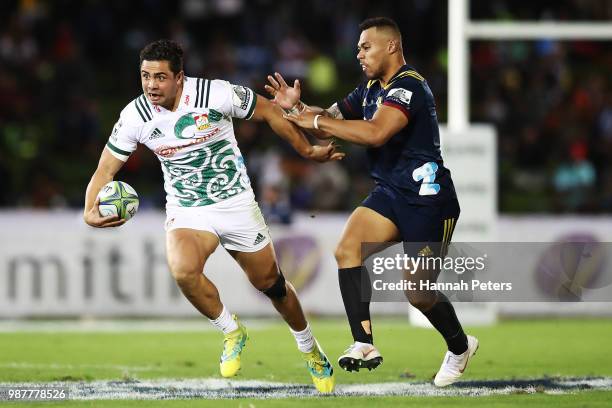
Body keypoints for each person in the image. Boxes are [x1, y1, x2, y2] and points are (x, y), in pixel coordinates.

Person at [83, 39, 341, 393]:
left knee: (273, 285)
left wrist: (307, 149)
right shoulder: (135, 116)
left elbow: (267, 111)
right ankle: (231, 329)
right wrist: (88, 210)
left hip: (235, 203)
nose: (151, 85)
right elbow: (104, 170)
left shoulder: (215, 94)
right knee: (183, 270)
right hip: (188, 210)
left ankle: (311, 349)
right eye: (145, 76)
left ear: (179, 78)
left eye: (160, 77)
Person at [265, 17, 478, 387]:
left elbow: (376, 133)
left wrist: (315, 123)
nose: (358, 53)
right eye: (358, 48)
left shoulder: (408, 87)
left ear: (391, 46)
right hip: (390, 194)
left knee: (418, 293)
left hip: (428, 201)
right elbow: (328, 116)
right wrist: (297, 110)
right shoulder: (369, 90)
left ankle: (460, 347)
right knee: (348, 249)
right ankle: (363, 343)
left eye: (366, 47)